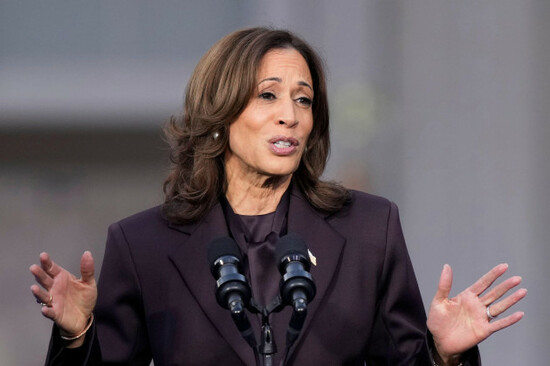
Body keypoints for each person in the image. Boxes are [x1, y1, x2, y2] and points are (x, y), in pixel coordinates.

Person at [30, 27, 526, 366]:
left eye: (304, 99)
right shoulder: (144, 245)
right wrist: (77, 336)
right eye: (268, 95)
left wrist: (443, 354)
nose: (290, 114)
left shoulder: (369, 230)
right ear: (221, 112)